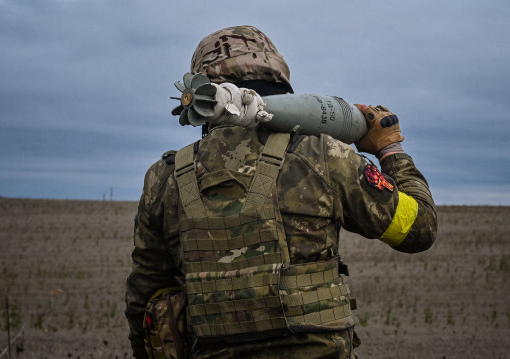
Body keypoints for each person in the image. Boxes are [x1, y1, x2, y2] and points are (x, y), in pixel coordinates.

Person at [125, 25, 437, 359]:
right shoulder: (324, 156)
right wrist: (391, 148)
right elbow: (419, 230)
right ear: (281, 85)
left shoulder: (166, 178)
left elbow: (145, 298)